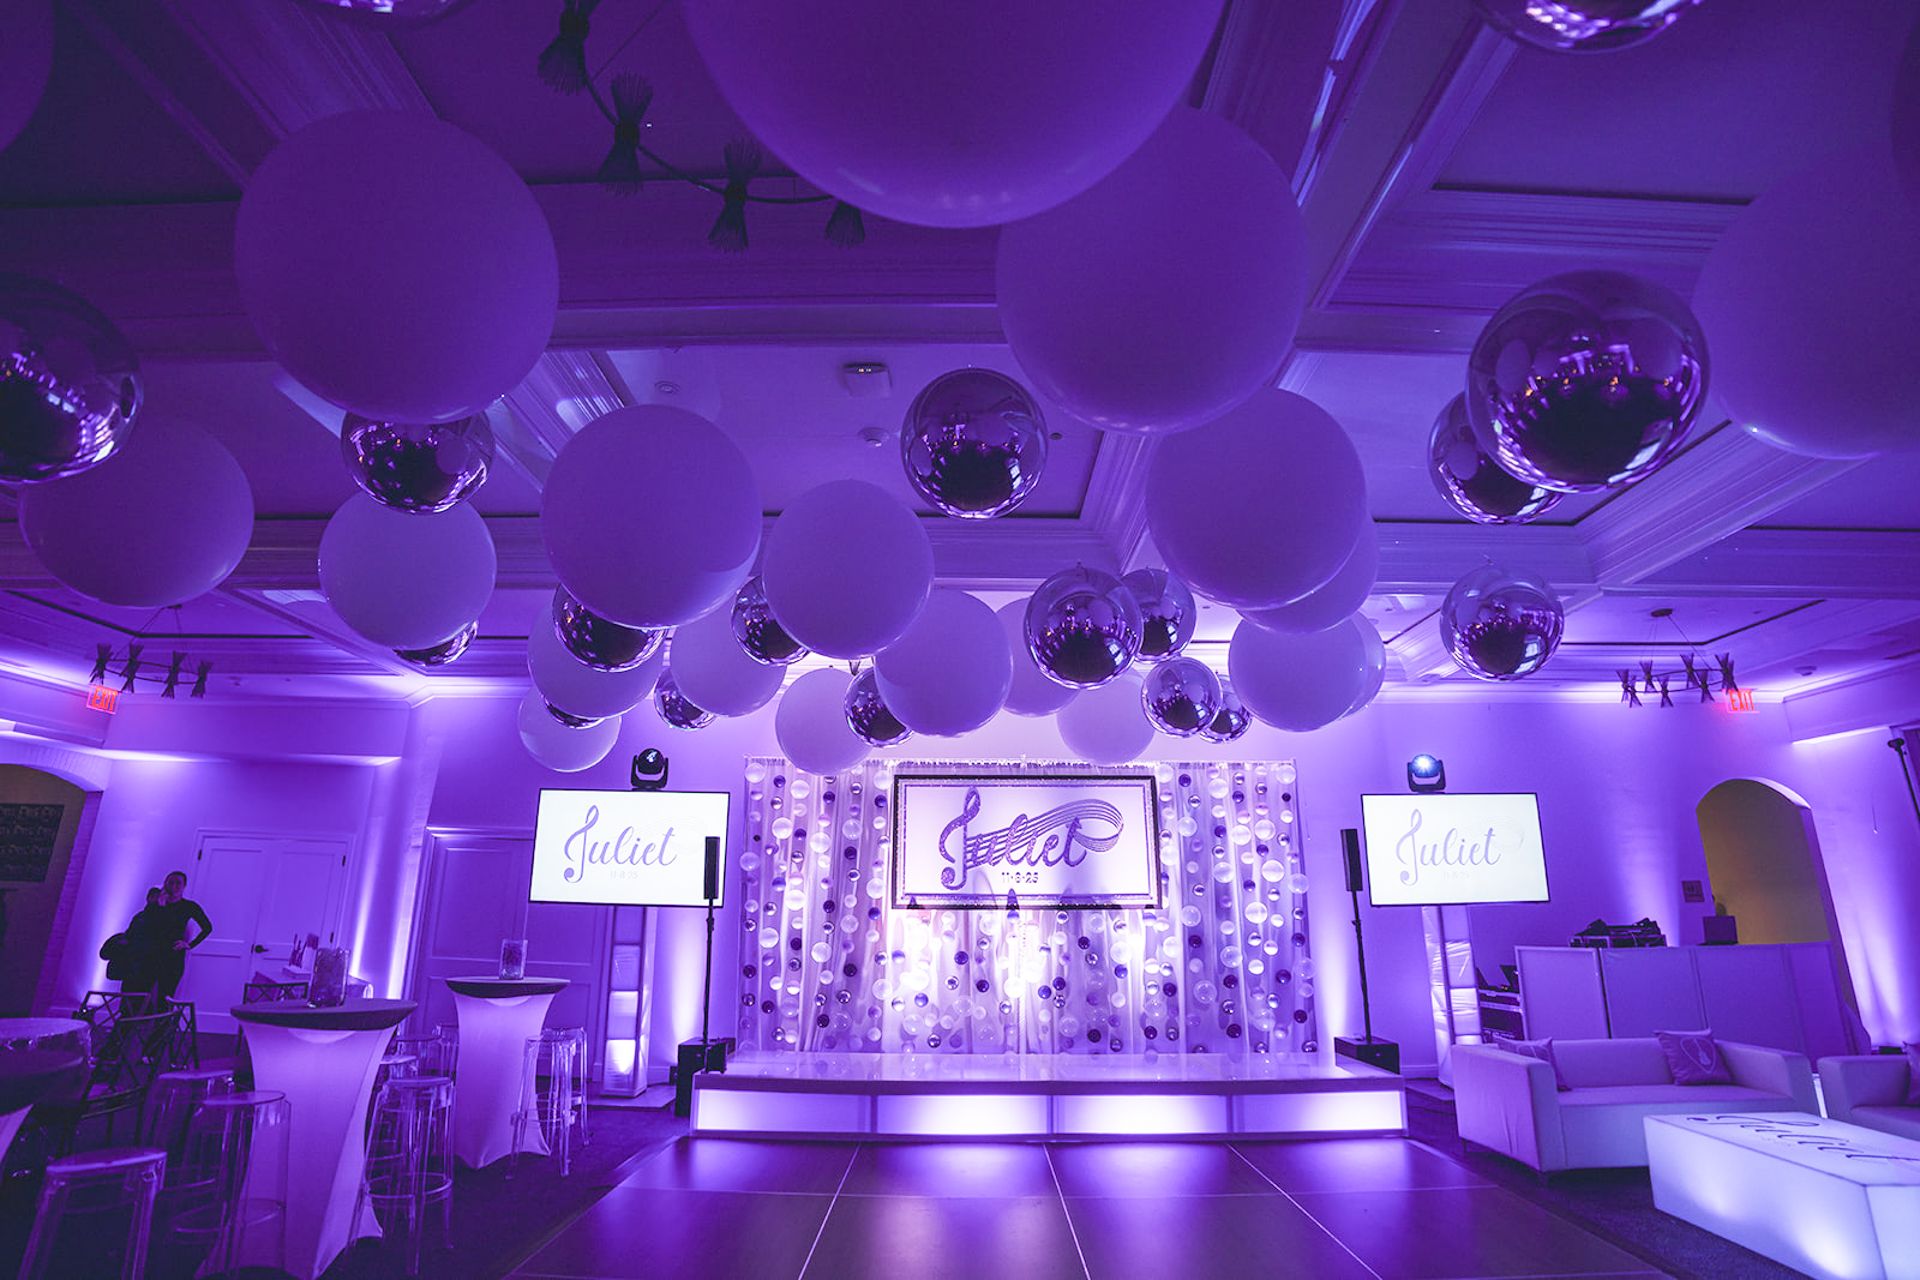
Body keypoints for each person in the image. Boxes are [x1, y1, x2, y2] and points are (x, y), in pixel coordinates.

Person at [153, 870, 212, 1003]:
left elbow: (207, 927)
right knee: (146, 994)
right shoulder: (155, 905)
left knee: (166, 994)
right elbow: (151, 925)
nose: (174, 886)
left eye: (178, 883)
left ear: (184, 886)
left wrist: (189, 945)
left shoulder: (189, 906)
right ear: (165, 884)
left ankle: (165, 1017)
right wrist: (160, 906)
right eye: (171, 883)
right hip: (153, 952)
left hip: (173, 955)